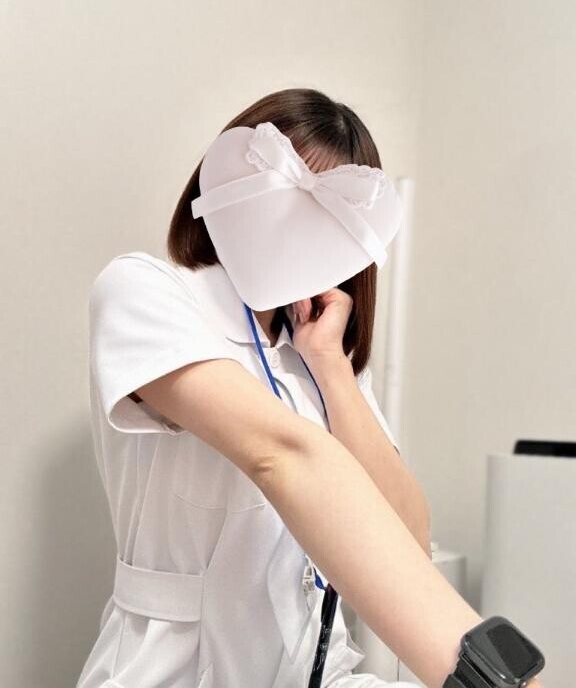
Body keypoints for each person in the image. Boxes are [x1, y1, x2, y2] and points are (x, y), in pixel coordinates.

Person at [76, 88, 546, 688]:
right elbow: (282, 455)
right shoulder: (145, 291)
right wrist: (488, 678)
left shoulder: (320, 359)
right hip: (173, 670)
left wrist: (329, 364)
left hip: (317, 668)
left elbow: (409, 537)